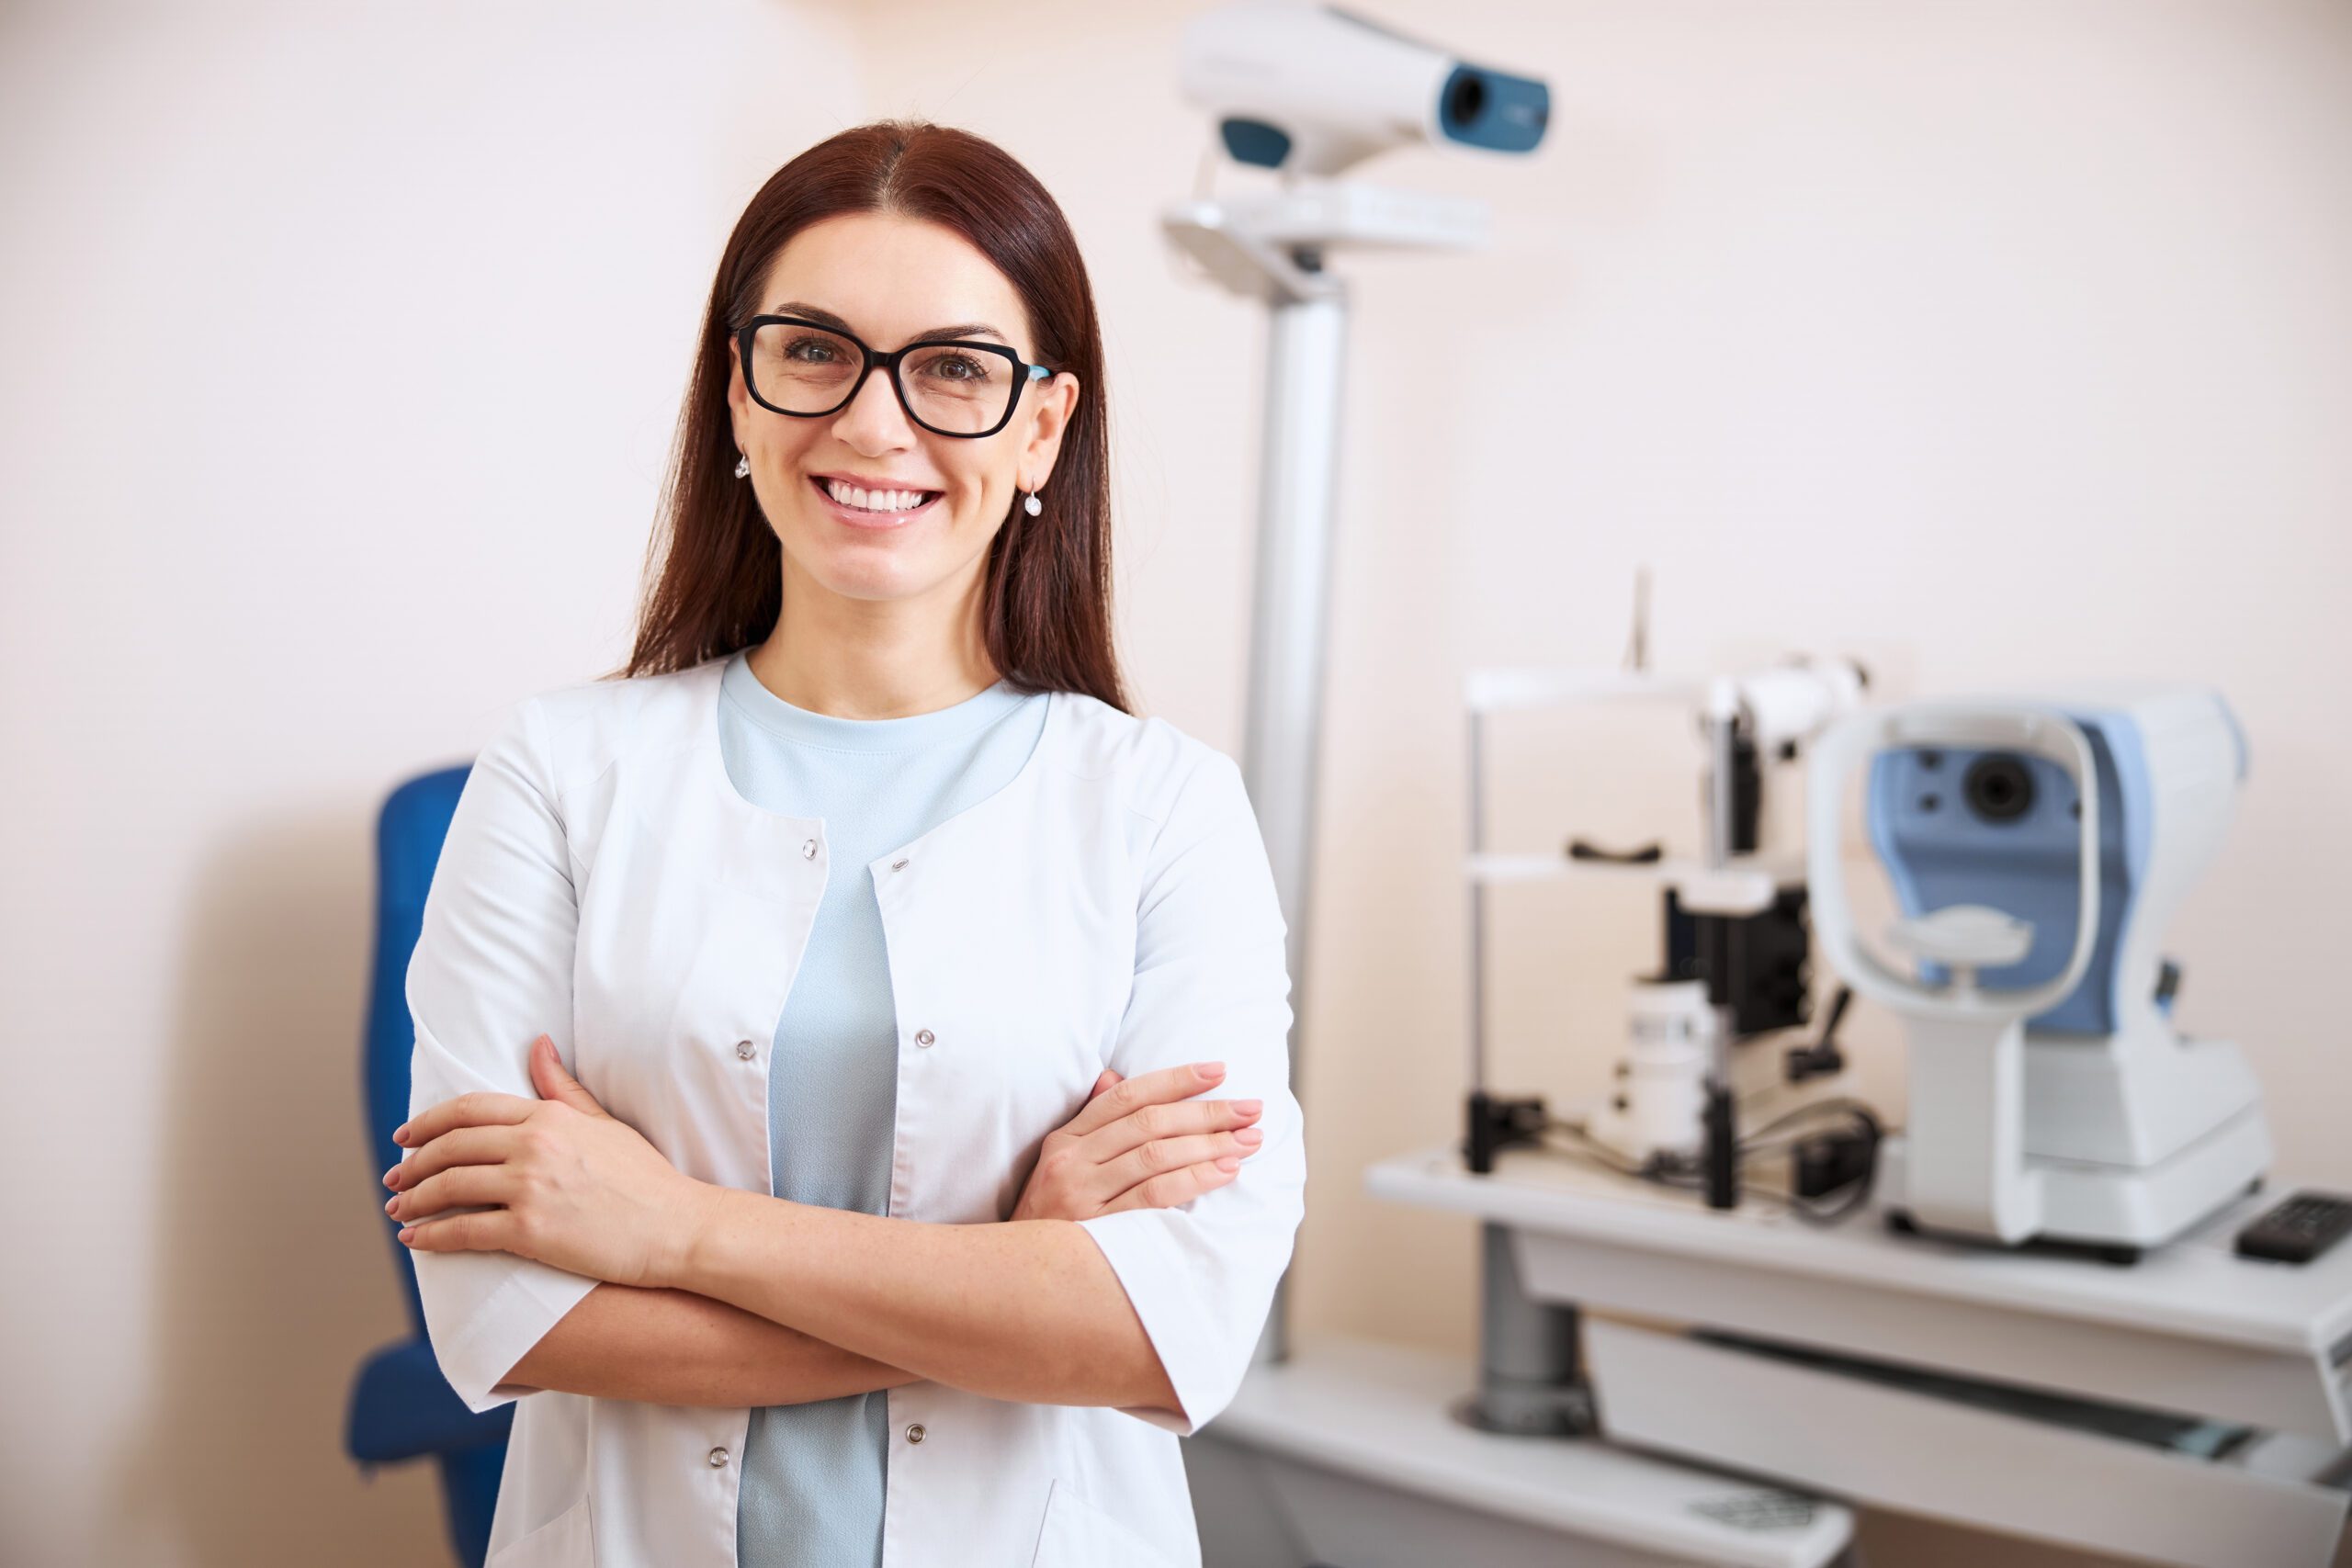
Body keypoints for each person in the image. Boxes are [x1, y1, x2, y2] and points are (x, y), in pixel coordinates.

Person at [380, 119, 1305, 1568]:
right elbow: (508, 1315)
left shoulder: (1165, 808)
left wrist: (667, 1228)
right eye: (813, 350)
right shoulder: (559, 769)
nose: (875, 425)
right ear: (736, 396)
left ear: (1042, 426)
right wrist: (1014, 1281)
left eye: (952, 367)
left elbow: (1163, 1335)